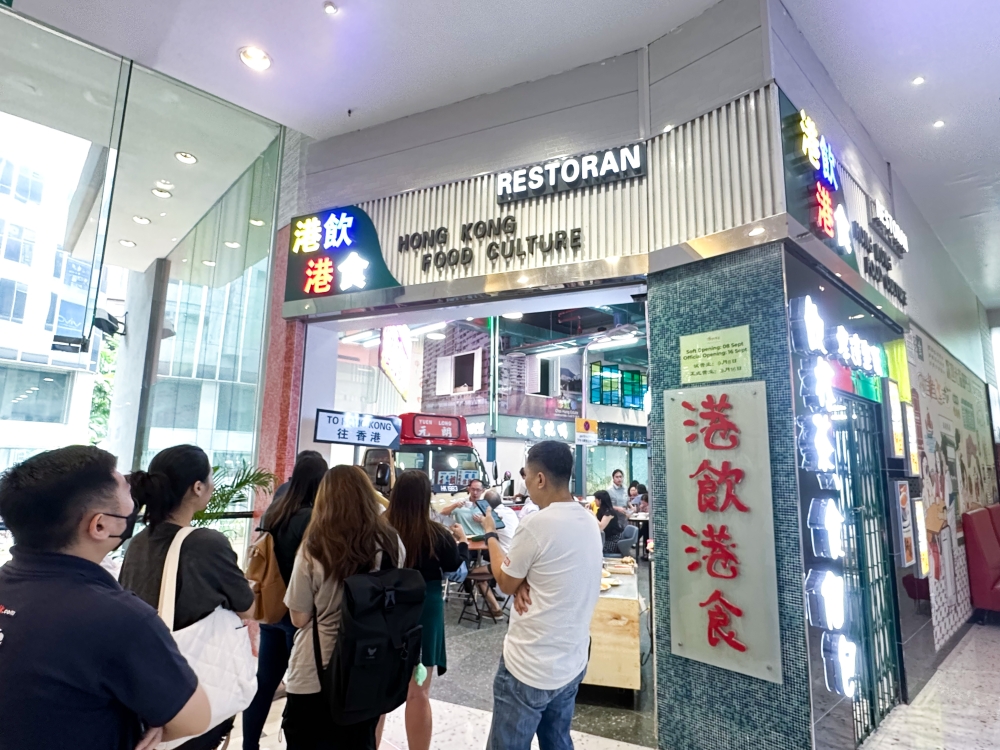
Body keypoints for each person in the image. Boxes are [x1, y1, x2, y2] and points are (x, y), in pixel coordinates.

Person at [0, 446, 212, 750]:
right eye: (127, 490)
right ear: (100, 525)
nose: (136, 498)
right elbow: (194, 719)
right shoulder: (121, 620)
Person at [121, 445, 256, 750]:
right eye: (209, 479)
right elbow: (247, 608)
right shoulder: (206, 543)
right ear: (197, 488)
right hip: (192, 689)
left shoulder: (138, 543)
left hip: (145, 688)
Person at [479, 441, 602, 750]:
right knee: (557, 741)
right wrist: (524, 581)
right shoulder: (588, 520)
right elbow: (555, 572)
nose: (525, 483)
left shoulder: (536, 524)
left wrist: (491, 534)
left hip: (529, 666)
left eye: (527, 475)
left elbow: (505, 583)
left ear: (540, 479)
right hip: (571, 661)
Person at [282, 465, 406, 750]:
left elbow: (299, 617)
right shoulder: (391, 543)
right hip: (368, 666)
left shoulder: (315, 545)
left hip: (316, 669)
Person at [242, 452, 329, 750]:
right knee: (300, 688)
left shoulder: (275, 511)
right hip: (299, 613)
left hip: (273, 610)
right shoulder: (311, 519)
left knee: (265, 682)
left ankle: (249, 744)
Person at [386, 470, 469, 750]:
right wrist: (464, 544)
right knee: (419, 691)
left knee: (378, 692)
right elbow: (456, 572)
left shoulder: (379, 528)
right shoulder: (436, 534)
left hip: (386, 610)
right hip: (426, 610)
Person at [595, 489, 626, 555]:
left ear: (600, 500)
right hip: (606, 538)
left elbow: (601, 527)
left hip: (613, 540)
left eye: (596, 499)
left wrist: (592, 515)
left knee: (596, 549)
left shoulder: (609, 512)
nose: (594, 501)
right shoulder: (600, 510)